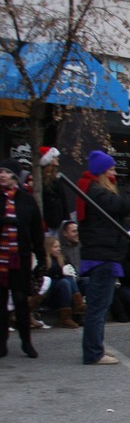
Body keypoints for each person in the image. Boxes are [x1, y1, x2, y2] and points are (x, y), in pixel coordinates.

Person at [77, 151, 130, 365]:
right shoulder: (96, 191)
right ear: (101, 172)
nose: (115, 173)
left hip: (104, 254)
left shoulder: (94, 190)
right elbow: (123, 204)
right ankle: (93, 352)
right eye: (111, 169)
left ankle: (95, 346)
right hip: (103, 255)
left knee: (100, 305)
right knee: (98, 306)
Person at [0, 159, 45, 358]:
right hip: (0, 258)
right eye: (0, 171)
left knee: (20, 299)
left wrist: (41, 260)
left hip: (20, 257)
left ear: (15, 177)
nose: (2, 175)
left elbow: (37, 232)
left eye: (7, 172)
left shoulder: (27, 200)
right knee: (0, 300)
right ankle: (1, 343)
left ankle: (26, 342)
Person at [39, 235, 84, 328]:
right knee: (65, 282)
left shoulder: (61, 259)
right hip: (49, 295)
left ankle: (78, 304)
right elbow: (46, 278)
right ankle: (66, 317)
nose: (59, 249)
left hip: (64, 292)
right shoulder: (43, 261)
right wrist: (61, 272)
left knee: (69, 279)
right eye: (55, 247)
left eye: (59, 246)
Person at [39, 147, 72, 234]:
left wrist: (67, 220)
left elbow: (63, 199)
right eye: (54, 157)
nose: (57, 159)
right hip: (49, 220)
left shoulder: (57, 178)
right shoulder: (41, 179)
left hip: (58, 220)